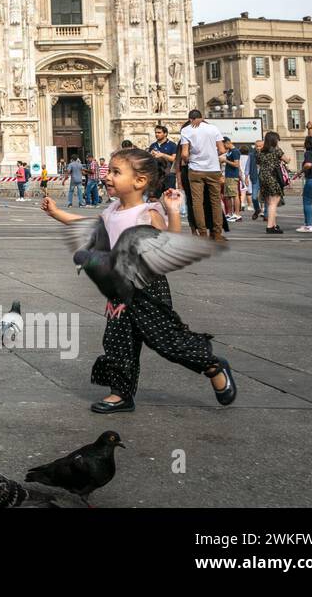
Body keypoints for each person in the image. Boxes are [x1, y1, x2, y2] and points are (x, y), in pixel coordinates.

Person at [41, 147, 235, 414]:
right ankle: (121, 393)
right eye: (108, 170)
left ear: (139, 181)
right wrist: (57, 214)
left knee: (167, 342)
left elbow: (171, 240)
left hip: (148, 289)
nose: (107, 176)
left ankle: (213, 365)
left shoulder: (149, 212)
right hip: (120, 289)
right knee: (117, 341)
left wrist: (174, 211)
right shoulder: (111, 211)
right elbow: (87, 224)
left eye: (116, 172)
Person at [179, 109, 226, 242]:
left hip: (196, 170)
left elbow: (184, 154)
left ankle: (202, 233)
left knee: (197, 203)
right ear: (202, 117)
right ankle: (217, 233)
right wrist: (212, 156)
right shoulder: (213, 128)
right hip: (213, 169)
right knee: (215, 201)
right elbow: (222, 150)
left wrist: (191, 160)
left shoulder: (186, 130)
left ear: (190, 119)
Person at [148, 125, 178, 196]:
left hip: (169, 175)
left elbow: (174, 159)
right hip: (156, 175)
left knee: (169, 196)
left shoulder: (172, 145)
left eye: (159, 132)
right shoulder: (153, 145)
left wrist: (162, 155)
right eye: (156, 133)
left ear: (165, 134)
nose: (156, 134)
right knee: (155, 197)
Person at [220, 137, 242, 222]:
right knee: (227, 195)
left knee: (234, 195)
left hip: (233, 176)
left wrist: (225, 160)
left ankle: (237, 214)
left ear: (228, 142)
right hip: (228, 176)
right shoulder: (229, 152)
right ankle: (229, 213)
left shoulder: (235, 151)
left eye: (223, 144)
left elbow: (236, 164)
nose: (223, 147)